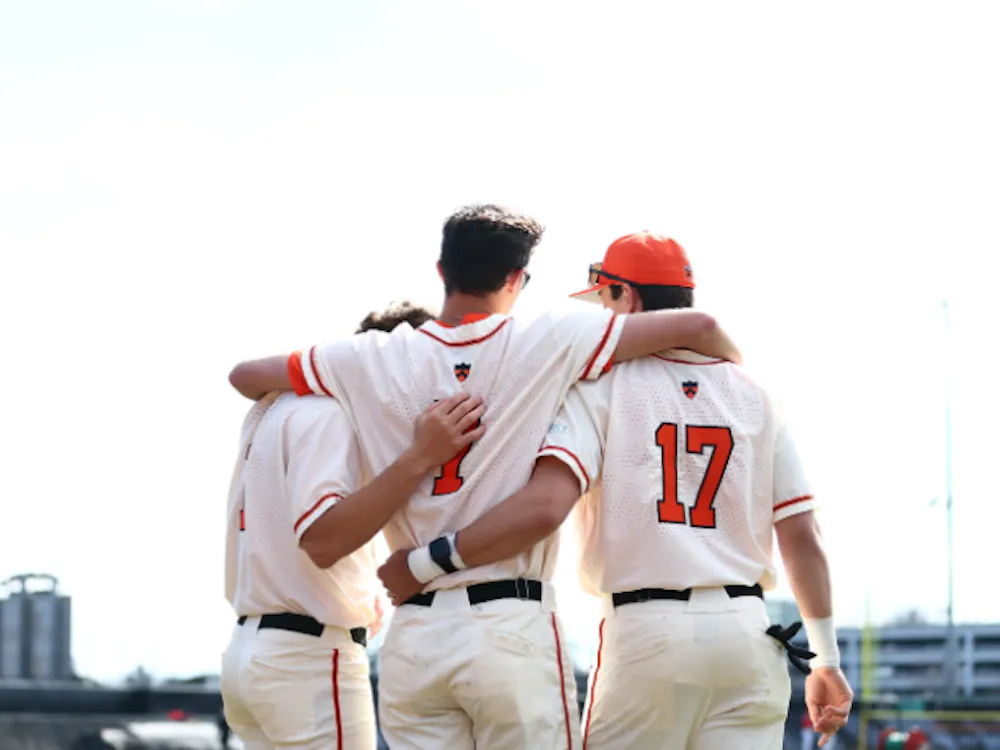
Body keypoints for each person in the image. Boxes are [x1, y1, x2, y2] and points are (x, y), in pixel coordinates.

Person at [226, 206, 743, 750]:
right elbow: (702, 327)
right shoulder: (548, 338)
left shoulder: (367, 356)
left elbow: (245, 375)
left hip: (416, 628)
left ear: (441, 270)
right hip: (509, 621)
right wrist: (732, 377)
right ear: (517, 279)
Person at [379, 232, 854, 750]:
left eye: (604, 299)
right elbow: (803, 536)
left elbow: (545, 506)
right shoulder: (756, 392)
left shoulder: (601, 383)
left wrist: (425, 564)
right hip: (747, 632)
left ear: (626, 296)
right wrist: (826, 659)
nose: (600, 316)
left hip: (647, 631)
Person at [221, 303, 485, 750]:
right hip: (306, 658)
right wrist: (421, 457)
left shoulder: (275, 405)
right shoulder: (332, 411)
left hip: (253, 652)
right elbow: (322, 540)